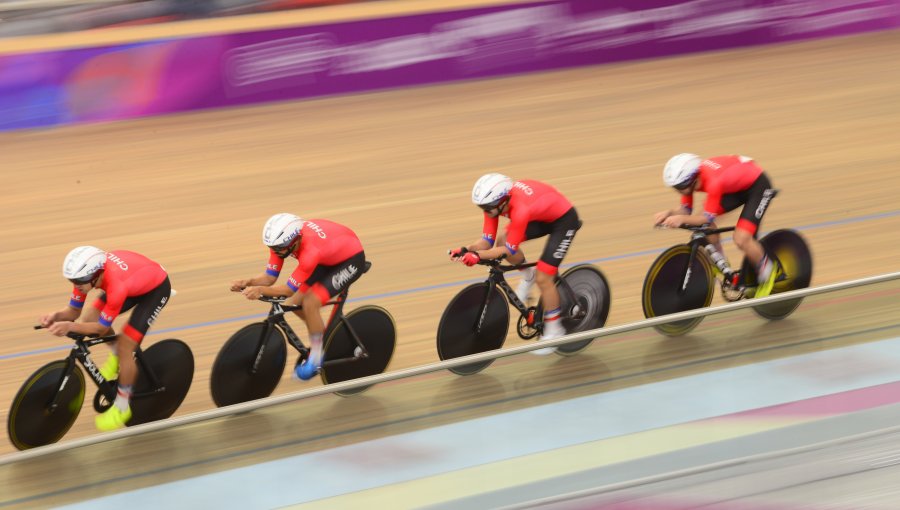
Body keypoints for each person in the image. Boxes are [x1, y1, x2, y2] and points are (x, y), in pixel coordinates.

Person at [40, 246, 173, 431]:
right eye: (72, 280)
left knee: (126, 346)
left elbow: (101, 329)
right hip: (133, 282)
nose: (75, 284)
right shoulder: (85, 276)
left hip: (155, 290)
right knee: (88, 318)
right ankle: (115, 354)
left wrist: (70, 326)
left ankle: (122, 406)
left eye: (78, 281)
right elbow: (74, 311)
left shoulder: (115, 286)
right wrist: (56, 316)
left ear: (95, 275)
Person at [450, 173, 581, 353]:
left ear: (502, 201)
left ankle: (555, 330)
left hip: (564, 220)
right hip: (541, 216)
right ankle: (529, 276)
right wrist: (467, 249)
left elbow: (508, 251)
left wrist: (478, 256)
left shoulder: (520, 209)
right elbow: (487, 241)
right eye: (481, 207)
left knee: (544, 277)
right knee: (502, 239)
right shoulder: (494, 205)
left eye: (486, 208)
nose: (485, 212)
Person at [230, 213, 366, 380]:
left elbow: (287, 290)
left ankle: (316, 357)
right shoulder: (280, 244)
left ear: (295, 241)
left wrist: (260, 290)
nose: (275, 252)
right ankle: (323, 336)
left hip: (350, 260)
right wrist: (248, 281)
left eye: (279, 249)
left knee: (310, 302)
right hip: (328, 256)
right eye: (272, 248)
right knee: (294, 304)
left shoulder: (310, 253)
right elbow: (269, 278)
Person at [653, 153, 781, 297]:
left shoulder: (713, 182)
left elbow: (704, 218)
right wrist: (669, 213)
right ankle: (720, 262)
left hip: (758, 186)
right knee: (704, 225)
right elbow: (686, 210)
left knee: (741, 238)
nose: (677, 190)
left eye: (678, 187)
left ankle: (769, 271)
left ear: (691, 180)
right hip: (735, 186)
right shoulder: (691, 180)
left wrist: (681, 219)